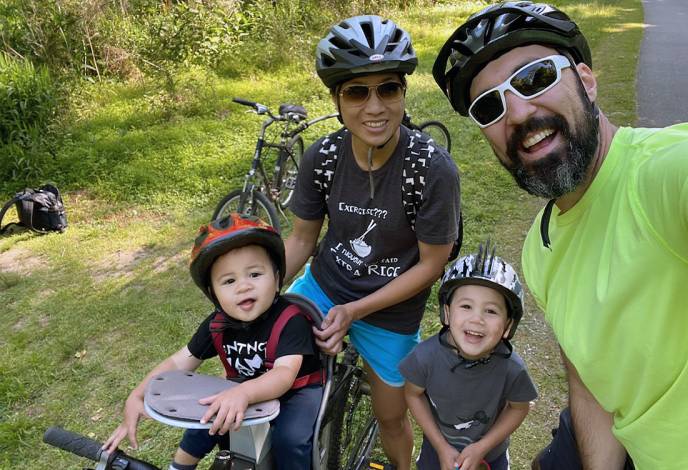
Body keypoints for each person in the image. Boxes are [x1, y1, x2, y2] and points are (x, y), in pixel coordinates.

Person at [432, 2, 688, 469]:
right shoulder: (539, 250)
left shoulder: (670, 172)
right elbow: (590, 381)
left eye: (535, 78)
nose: (517, 112)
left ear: (587, 80)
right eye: (490, 106)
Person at [284, 14, 461, 469]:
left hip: (390, 311)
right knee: (272, 373)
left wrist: (356, 312)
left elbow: (431, 265)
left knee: (391, 418)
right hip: (323, 288)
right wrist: (260, 292)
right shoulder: (323, 157)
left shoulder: (431, 169)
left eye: (388, 88)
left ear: (404, 92)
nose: (375, 106)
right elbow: (302, 240)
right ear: (336, 99)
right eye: (357, 92)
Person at [103, 213, 323, 470]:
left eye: (254, 274)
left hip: (297, 391)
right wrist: (137, 395)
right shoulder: (217, 324)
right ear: (213, 294)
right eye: (229, 281)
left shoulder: (290, 320)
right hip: (242, 387)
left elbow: (284, 375)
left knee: (291, 440)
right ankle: (179, 467)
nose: (243, 286)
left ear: (276, 279)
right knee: (206, 419)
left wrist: (242, 392)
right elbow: (178, 362)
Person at [400, 242, 537, 470]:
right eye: (466, 306)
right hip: (437, 451)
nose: (477, 319)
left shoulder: (512, 369)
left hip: (490, 456)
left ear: (508, 325)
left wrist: (482, 447)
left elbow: (519, 407)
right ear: (447, 311)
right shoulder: (424, 357)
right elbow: (413, 395)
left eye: (491, 311)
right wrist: (441, 446)